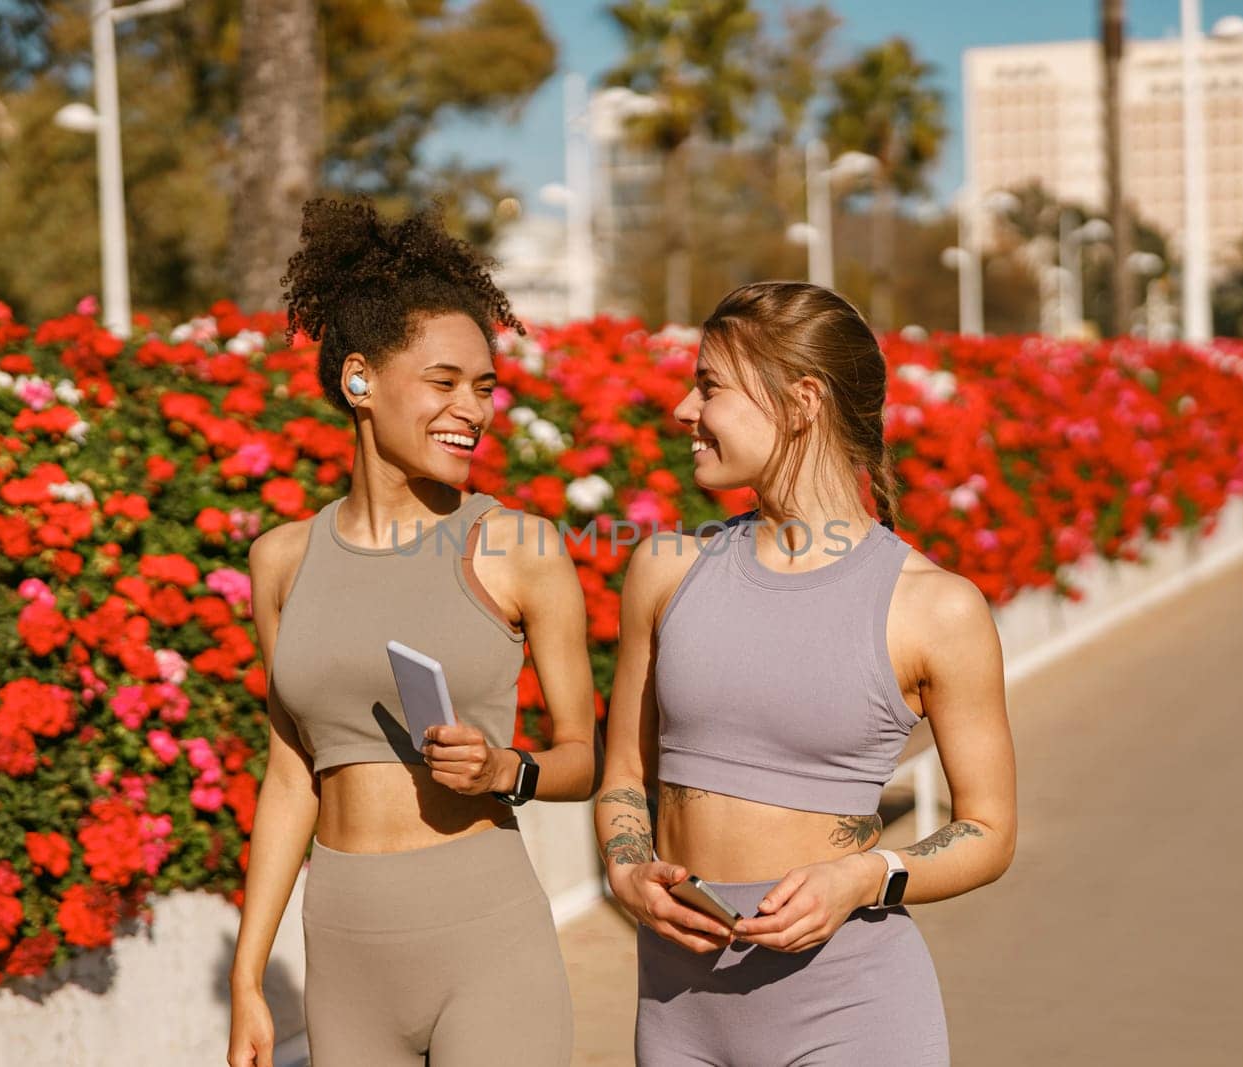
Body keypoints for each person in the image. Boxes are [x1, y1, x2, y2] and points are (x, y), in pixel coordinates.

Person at [595, 281, 1017, 1066]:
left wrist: (864, 878)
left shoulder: (934, 608)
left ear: (802, 400)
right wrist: (625, 869)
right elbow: (624, 771)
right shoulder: (664, 570)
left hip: (851, 1014)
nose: (684, 410)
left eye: (710, 385)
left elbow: (989, 832)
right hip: (676, 1014)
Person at [227, 197, 596, 1067]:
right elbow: (290, 777)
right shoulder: (280, 561)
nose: (473, 408)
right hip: (344, 950)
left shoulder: (517, 546)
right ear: (359, 379)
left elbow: (586, 755)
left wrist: (511, 768)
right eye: (444, 381)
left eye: (485, 386)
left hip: (487, 936)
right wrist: (249, 976)